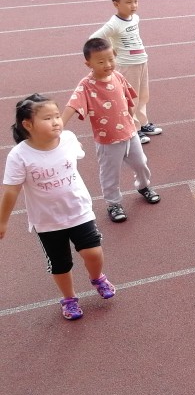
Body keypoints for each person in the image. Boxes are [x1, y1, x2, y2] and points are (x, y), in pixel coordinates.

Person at [1, 94, 115, 321]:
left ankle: (97, 278)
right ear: (28, 124)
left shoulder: (69, 139)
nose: (56, 122)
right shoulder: (19, 156)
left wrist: (76, 145)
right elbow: (11, 191)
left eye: (57, 116)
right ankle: (69, 299)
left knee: (93, 252)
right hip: (47, 221)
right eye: (47, 118)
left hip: (79, 211)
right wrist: (3, 221)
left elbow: (77, 152)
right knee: (61, 265)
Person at [63, 38, 161, 224]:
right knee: (110, 174)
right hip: (107, 140)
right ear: (88, 64)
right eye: (101, 61)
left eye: (111, 59)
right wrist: (60, 124)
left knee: (141, 163)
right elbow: (73, 105)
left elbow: (128, 98)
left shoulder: (117, 76)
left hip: (130, 134)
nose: (108, 64)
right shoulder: (86, 85)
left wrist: (132, 118)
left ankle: (143, 186)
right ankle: (113, 203)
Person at [90, 0, 161, 143]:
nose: (133, 5)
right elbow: (94, 38)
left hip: (142, 61)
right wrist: (111, 52)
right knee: (130, 98)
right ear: (116, 4)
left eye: (136, 1)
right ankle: (134, 129)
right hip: (128, 65)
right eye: (128, 2)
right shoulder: (114, 23)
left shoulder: (135, 18)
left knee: (143, 96)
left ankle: (143, 123)